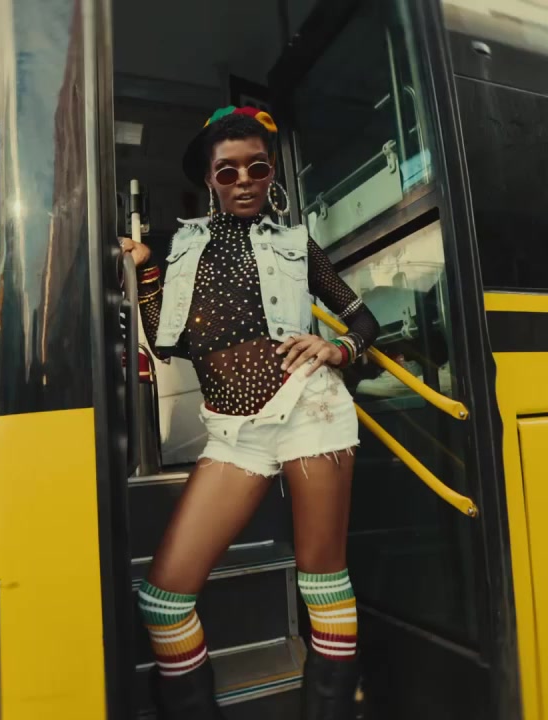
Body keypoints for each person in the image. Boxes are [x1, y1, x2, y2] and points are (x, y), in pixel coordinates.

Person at [120, 105, 379, 720]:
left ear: (271, 175)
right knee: (163, 599)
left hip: (310, 410)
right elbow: (166, 343)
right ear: (210, 179)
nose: (244, 181)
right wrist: (147, 269)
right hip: (234, 433)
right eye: (228, 171)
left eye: (257, 168)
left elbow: (364, 320)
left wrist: (340, 348)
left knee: (323, 583)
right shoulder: (178, 246)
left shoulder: (295, 244)